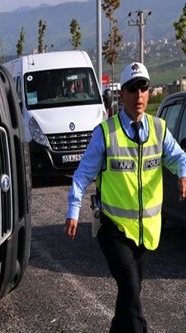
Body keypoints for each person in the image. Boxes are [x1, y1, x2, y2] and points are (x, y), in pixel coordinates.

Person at [64, 62, 186, 333]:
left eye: (144, 88)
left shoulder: (158, 129)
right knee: (130, 286)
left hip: (146, 231)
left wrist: (182, 173)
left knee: (130, 295)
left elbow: (179, 157)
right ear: (123, 95)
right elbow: (83, 175)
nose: (139, 95)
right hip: (113, 228)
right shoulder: (106, 134)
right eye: (133, 89)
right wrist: (73, 209)